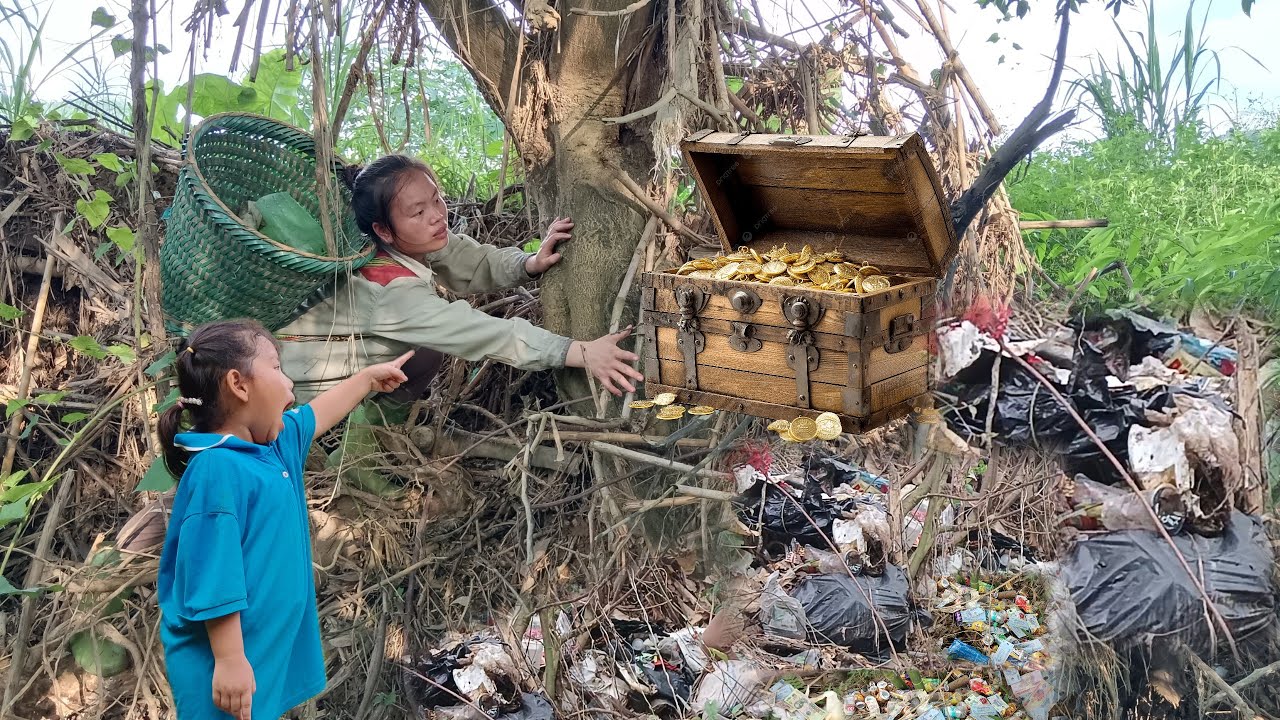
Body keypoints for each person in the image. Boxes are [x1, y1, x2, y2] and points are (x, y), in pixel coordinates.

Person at [155, 319, 415, 720]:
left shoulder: (272, 449)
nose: (289, 382)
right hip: (225, 665)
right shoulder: (217, 469)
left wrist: (366, 379)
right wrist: (229, 659)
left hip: (258, 652)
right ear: (239, 385)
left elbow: (316, 414)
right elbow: (213, 573)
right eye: (276, 368)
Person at [276, 154, 644, 405]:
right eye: (418, 211)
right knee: (423, 350)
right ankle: (350, 452)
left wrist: (529, 263)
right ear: (383, 230)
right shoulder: (392, 294)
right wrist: (580, 352)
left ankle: (364, 439)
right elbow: (488, 334)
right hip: (296, 383)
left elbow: (472, 259)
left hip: (332, 357)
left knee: (423, 352)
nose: (437, 216)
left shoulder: (413, 241)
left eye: (436, 200)